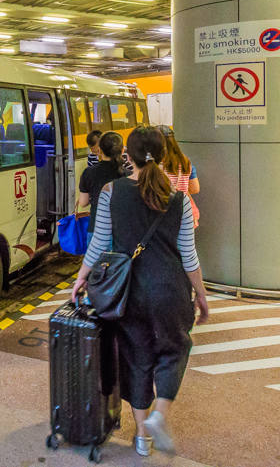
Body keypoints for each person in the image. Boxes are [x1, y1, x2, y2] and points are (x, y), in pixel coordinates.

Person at [72, 126, 209, 457]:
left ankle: (141, 439)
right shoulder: (180, 200)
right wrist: (201, 295)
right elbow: (188, 256)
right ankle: (160, 416)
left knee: (136, 359)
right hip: (171, 292)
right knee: (174, 349)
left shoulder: (110, 192)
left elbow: (99, 245)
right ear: (163, 156)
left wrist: (81, 278)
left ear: (127, 156)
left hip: (128, 292)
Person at [76, 132, 125, 241]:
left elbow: (83, 203)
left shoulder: (88, 172)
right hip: (121, 232)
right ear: (122, 150)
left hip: (96, 229)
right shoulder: (127, 174)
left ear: (99, 150)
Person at [157, 124, 200, 227]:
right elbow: (195, 188)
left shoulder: (155, 163)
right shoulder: (185, 161)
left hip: (161, 214)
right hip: (183, 211)